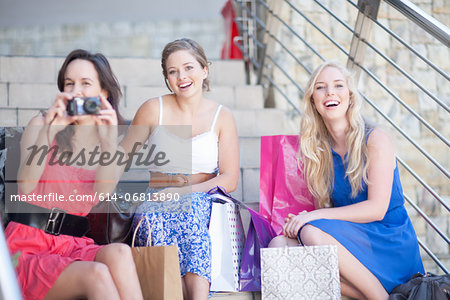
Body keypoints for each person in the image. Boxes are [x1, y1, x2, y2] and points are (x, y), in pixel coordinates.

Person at [269, 61, 424, 299]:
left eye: (338, 85)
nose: (330, 92)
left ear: (350, 96)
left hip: (388, 240)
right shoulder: (318, 150)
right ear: (313, 101)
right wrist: (301, 221)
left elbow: (376, 209)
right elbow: (330, 212)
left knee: (310, 232)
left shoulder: (375, 139)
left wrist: (311, 217)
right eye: (321, 87)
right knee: (279, 247)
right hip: (354, 240)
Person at [5, 49, 143, 300]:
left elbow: (102, 194)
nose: (76, 91)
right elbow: (25, 186)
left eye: (85, 83)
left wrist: (109, 142)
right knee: (97, 275)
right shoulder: (42, 124)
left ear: (103, 94)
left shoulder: (113, 147)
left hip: (72, 245)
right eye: (69, 84)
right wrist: (49, 132)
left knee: (120, 254)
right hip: (28, 245)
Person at [120, 38, 240, 300]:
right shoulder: (154, 109)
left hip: (201, 197)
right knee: (154, 219)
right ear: (166, 77)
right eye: (173, 71)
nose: (182, 77)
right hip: (156, 196)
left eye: (189, 68)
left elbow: (230, 179)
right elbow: (121, 159)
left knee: (192, 212)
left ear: (204, 69)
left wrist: (185, 192)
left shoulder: (222, 116)